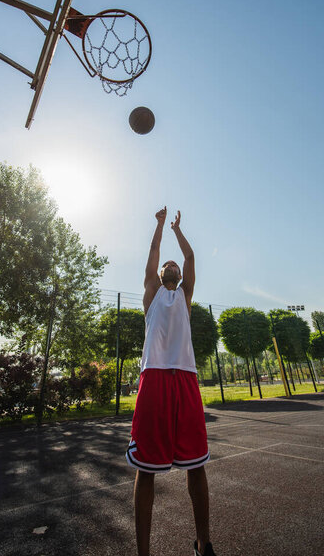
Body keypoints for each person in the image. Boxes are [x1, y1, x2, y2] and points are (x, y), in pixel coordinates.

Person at [126, 207, 216, 556]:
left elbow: (190, 255)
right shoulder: (151, 294)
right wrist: (160, 227)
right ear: (161, 273)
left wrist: (179, 229)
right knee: (146, 468)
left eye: (175, 267)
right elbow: (152, 256)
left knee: (196, 464)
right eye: (168, 266)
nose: (173, 267)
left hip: (187, 381)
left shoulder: (185, 296)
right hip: (155, 379)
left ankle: (203, 543)